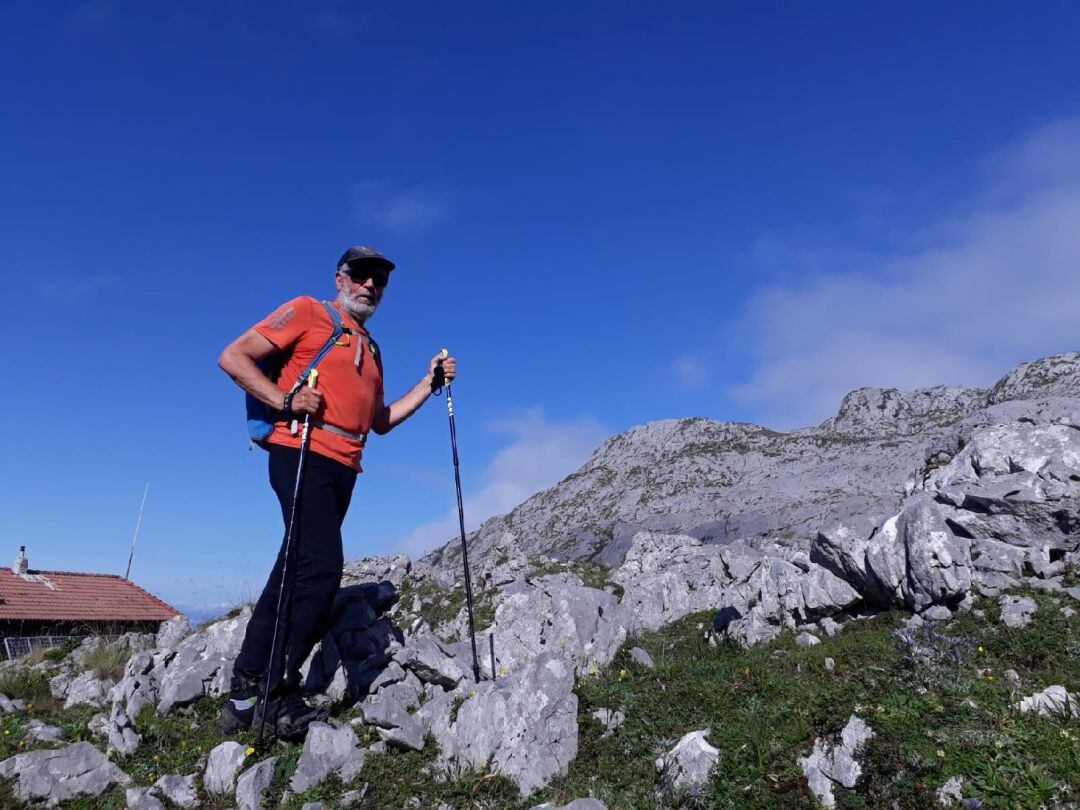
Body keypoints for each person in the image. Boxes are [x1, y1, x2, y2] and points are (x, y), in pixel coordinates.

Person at [216, 245, 456, 739]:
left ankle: (244, 693)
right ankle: (276, 697)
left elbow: (380, 421)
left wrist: (429, 383)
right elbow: (233, 357)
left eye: (380, 279)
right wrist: (286, 399)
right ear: (340, 278)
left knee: (293, 570)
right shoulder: (308, 311)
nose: (370, 285)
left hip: (344, 467)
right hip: (301, 451)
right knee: (322, 568)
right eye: (362, 274)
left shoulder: (371, 350)